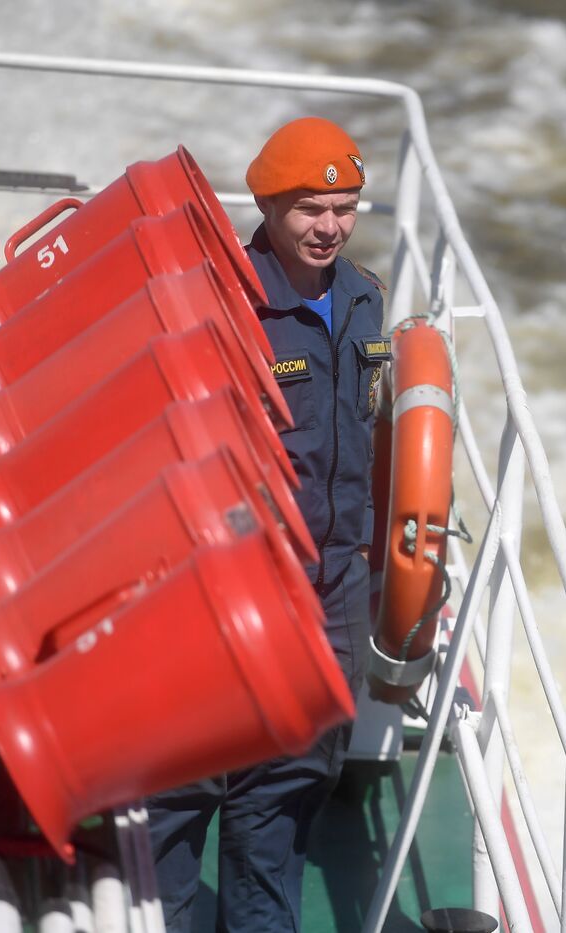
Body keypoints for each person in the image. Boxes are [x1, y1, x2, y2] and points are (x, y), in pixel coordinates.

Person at [145, 116, 388, 933]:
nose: (330, 226)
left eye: (345, 206)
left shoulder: (365, 296)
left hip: (330, 593)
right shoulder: (224, 302)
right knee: (183, 794)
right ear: (270, 205)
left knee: (285, 795)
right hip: (228, 589)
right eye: (311, 208)